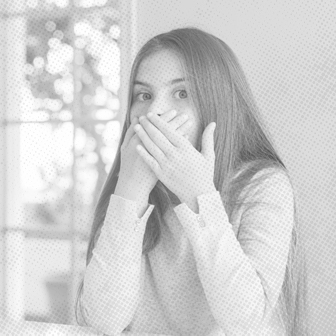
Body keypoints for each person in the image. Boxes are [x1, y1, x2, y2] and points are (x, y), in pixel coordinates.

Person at [75, 27, 309, 336]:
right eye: (143, 95)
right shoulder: (131, 184)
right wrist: (129, 193)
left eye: (181, 93)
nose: (155, 111)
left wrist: (198, 194)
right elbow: (99, 323)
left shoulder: (263, 184)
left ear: (217, 103)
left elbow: (246, 322)